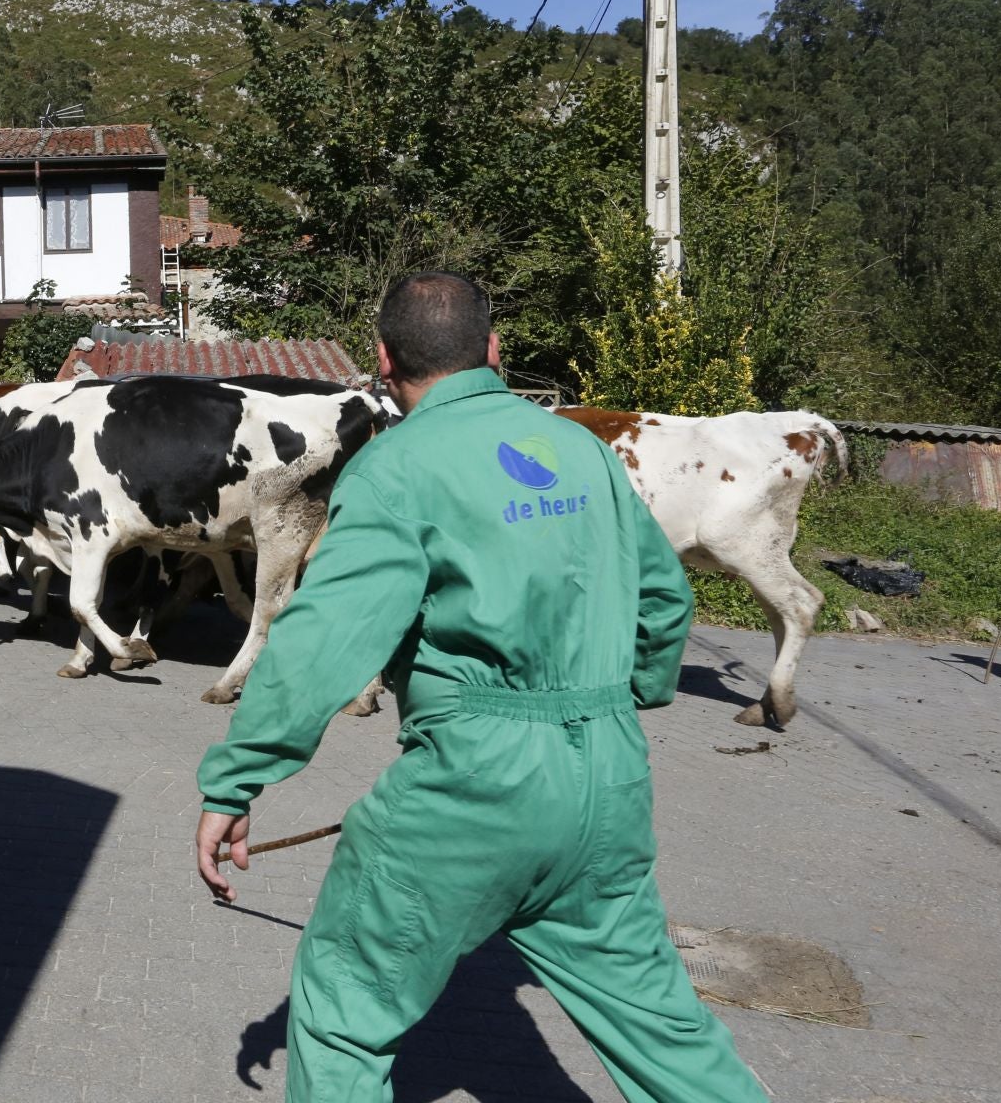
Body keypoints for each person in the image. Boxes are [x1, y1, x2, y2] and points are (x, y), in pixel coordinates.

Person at [193, 273, 767, 1102]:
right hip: (607, 780)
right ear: (494, 351)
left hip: (473, 785)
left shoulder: (394, 470)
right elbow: (665, 600)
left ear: (383, 361)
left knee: (343, 1010)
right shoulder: (581, 450)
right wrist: (615, 700)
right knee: (666, 1034)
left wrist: (237, 777)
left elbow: (321, 643)